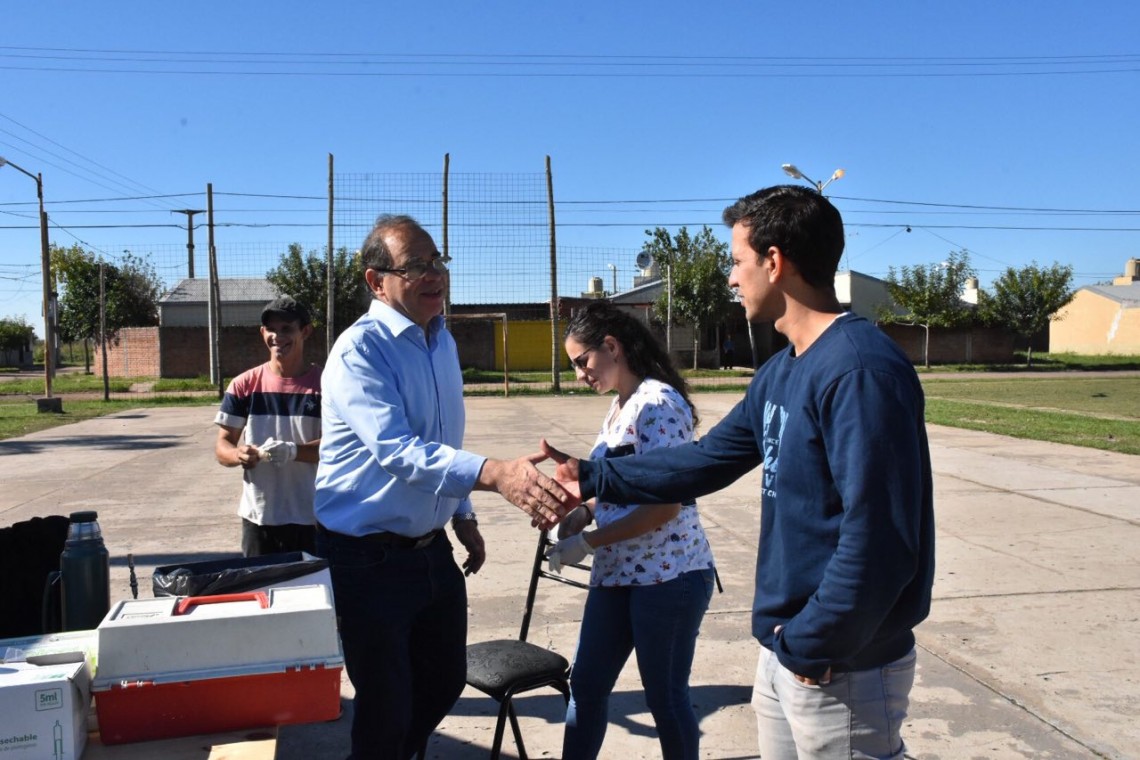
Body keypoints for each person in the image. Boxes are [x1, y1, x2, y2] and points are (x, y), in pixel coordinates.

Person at [542, 185, 934, 760]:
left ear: (774, 262)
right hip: (787, 648)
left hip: (841, 661)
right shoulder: (781, 371)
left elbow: (882, 542)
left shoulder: (859, 371)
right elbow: (704, 462)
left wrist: (814, 642)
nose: (730, 278)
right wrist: (591, 476)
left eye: (736, 261)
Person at [315, 214, 571, 760]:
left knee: (442, 680)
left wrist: (462, 515)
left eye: (438, 261)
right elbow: (399, 450)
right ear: (376, 281)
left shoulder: (441, 342)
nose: (435, 274)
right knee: (385, 704)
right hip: (367, 559)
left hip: (429, 551)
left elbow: (442, 440)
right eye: (416, 265)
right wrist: (495, 474)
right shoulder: (361, 351)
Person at [544, 301, 716, 760]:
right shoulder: (621, 406)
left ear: (612, 346)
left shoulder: (657, 405)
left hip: (669, 576)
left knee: (665, 697)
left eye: (582, 361)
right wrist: (582, 514)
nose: (579, 374)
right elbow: (620, 485)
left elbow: (665, 505)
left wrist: (587, 542)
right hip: (619, 572)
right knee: (587, 685)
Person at [215, 295, 322, 557]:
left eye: (287, 329)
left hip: (314, 517)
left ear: (305, 332)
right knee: (261, 584)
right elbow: (222, 446)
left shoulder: (327, 385)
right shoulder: (244, 385)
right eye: (271, 329)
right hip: (259, 518)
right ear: (262, 332)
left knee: (315, 584)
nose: (277, 336)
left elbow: (339, 447)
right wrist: (238, 454)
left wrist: (293, 451)